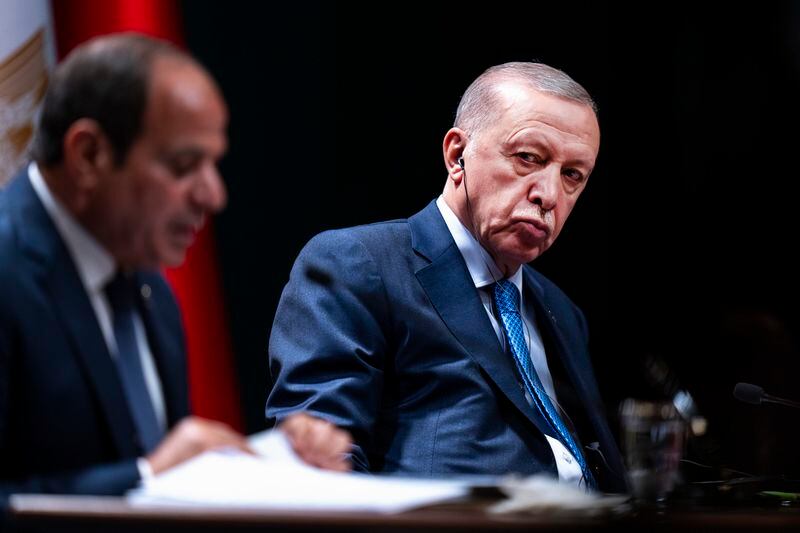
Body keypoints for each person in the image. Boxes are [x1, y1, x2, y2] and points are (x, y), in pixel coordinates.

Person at [0, 33, 351, 509]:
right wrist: (147, 475)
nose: (213, 195)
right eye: (184, 165)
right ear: (88, 155)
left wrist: (272, 464)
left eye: (213, 163)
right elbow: (148, 476)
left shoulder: (150, 292)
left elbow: (162, 489)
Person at [267, 62, 627, 492]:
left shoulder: (561, 311)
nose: (548, 195)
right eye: (528, 158)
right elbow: (318, 460)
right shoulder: (360, 265)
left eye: (572, 175)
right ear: (457, 155)